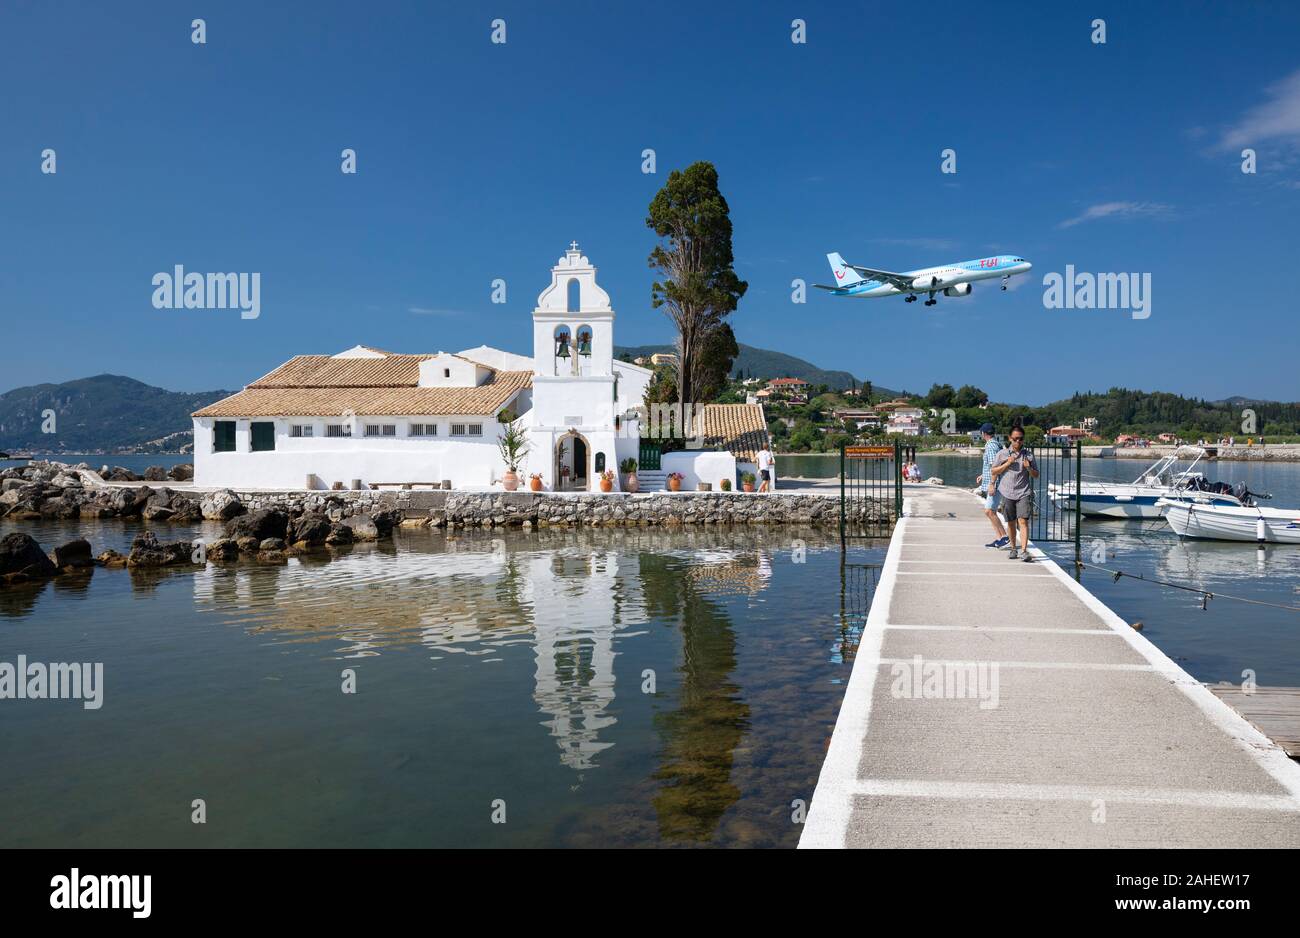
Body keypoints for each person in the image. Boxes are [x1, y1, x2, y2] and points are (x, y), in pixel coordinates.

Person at [990, 426, 1039, 561]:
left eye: (1021, 439)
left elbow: (1036, 475)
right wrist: (1007, 464)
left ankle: (1023, 551)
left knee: (1023, 521)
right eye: (1015, 438)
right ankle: (1013, 549)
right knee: (1011, 522)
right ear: (1010, 439)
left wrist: (1028, 467)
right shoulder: (1002, 454)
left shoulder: (1028, 455)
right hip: (1007, 492)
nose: (1018, 441)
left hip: (1023, 492)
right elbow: (994, 471)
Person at [976, 423, 1008, 548]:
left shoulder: (990, 446)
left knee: (989, 511)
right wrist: (983, 475)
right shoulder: (997, 444)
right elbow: (995, 464)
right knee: (991, 511)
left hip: (995, 483)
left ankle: (1004, 537)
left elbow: (994, 467)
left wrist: (992, 484)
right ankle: (999, 538)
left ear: (983, 434)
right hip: (995, 481)